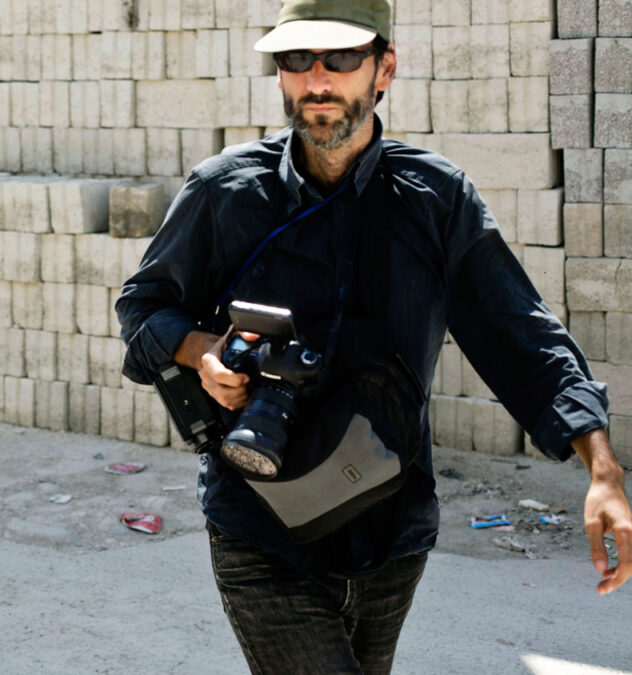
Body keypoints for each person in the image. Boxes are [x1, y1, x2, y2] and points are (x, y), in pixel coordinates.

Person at [116, 1, 632, 673]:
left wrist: (602, 468)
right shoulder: (224, 192)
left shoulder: (434, 199)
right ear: (279, 74)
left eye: (340, 58)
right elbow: (143, 307)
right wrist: (201, 352)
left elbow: (521, 334)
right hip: (262, 532)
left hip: (392, 534)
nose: (318, 79)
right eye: (297, 59)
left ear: (383, 68)